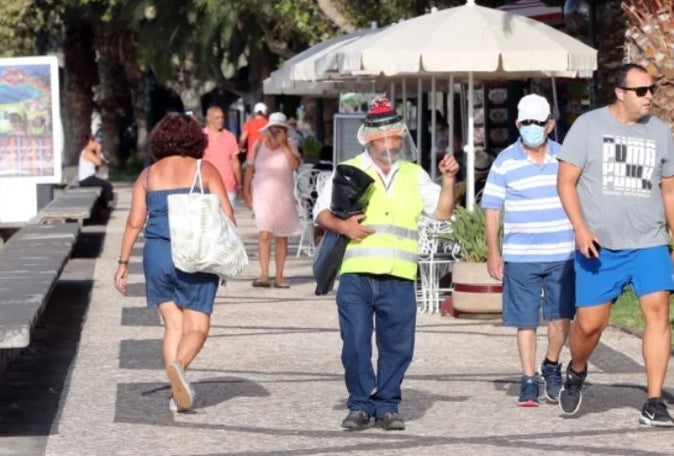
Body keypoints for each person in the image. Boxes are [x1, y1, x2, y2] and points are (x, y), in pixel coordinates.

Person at [313, 96, 459, 431]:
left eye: (396, 137)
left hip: (399, 275)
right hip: (357, 275)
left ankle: (388, 405)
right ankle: (360, 405)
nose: (392, 143)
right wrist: (343, 226)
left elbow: (442, 212)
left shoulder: (413, 173)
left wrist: (449, 180)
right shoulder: (349, 170)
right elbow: (320, 213)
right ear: (369, 139)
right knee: (355, 343)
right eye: (385, 138)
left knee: (398, 347)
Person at [556, 63, 674, 426]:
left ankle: (654, 401)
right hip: (600, 246)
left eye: (652, 89)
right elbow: (565, 182)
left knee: (657, 313)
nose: (649, 97)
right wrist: (580, 228)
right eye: (641, 91)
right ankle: (576, 370)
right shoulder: (588, 126)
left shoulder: (661, 132)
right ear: (620, 93)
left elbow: (668, 189)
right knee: (591, 325)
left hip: (649, 241)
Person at [113, 113, 234, 413]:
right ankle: (179, 368)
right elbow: (228, 214)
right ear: (196, 139)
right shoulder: (203, 169)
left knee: (172, 325)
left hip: (157, 255)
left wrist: (123, 262)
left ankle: (175, 391)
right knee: (198, 326)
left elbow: (133, 223)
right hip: (195, 253)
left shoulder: (148, 175)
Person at [480, 94, 575, 407]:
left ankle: (551, 365)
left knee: (561, 318)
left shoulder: (566, 156)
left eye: (539, 122)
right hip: (520, 257)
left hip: (562, 253)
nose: (533, 128)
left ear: (550, 124)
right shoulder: (505, 161)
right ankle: (528, 379)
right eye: (527, 123)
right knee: (525, 321)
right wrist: (494, 253)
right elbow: (492, 209)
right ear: (518, 124)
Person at [243, 112, 302, 288]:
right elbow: (250, 169)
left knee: (282, 236)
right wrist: (246, 191)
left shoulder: (291, 145)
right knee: (264, 233)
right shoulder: (259, 144)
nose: (275, 133)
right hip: (262, 195)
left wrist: (284, 145)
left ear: (285, 131)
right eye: (273, 129)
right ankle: (263, 275)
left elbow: (295, 165)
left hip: (283, 197)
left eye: (279, 130)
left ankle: (279, 276)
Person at [203, 106, 242, 205]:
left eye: (222, 117)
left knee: (228, 219)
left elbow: (235, 162)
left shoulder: (230, 137)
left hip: (228, 189)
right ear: (208, 118)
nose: (220, 120)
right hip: (207, 189)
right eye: (217, 118)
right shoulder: (201, 137)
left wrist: (239, 184)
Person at [78, 134, 114, 208]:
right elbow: (98, 162)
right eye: (96, 143)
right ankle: (104, 207)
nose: (97, 144)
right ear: (90, 142)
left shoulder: (89, 152)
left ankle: (101, 206)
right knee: (107, 186)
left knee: (105, 186)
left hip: (89, 178)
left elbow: (98, 164)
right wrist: (98, 151)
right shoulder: (87, 152)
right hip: (86, 179)